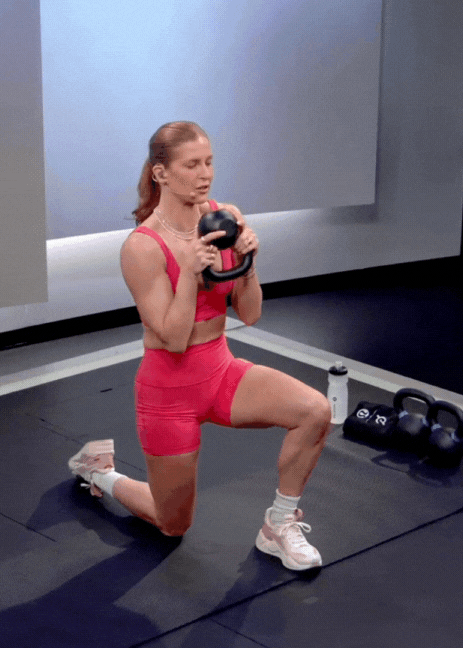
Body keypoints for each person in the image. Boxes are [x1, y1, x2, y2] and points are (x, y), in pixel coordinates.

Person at [67, 121, 332, 571]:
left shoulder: (223, 217)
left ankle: (279, 525)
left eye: (209, 162)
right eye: (191, 165)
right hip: (168, 392)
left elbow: (250, 315)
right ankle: (99, 471)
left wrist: (248, 264)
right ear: (161, 173)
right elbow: (171, 339)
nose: (204, 174)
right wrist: (189, 272)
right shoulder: (142, 247)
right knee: (173, 525)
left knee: (315, 411)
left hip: (221, 372)